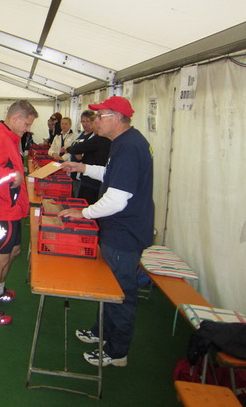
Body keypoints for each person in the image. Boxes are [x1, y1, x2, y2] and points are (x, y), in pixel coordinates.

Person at [58, 96, 154, 367]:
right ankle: (102, 332)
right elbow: (112, 175)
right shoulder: (123, 142)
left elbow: (117, 199)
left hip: (125, 232)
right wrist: (83, 167)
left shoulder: (130, 147)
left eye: (101, 116)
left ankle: (117, 351)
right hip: (119, 228)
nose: (95, 121)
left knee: (120, 293)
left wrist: (84, 213)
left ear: (118, 118)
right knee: (109, 287)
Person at [0, 100, 38, 325]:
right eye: (27, 124)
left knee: (14, 251)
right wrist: (12, 176)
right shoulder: (0, 138)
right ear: (16, 119)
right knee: (0, 257)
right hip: (4, 209)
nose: (28, 129)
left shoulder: (11, 137)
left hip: (13, 207)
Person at [64, 110, 111, 204]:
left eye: (92, 123)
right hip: (89, 176)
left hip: (93, 181)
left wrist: (69, 149)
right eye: (83, 121)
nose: (93, 125)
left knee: (85, 203)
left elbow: (80, 148)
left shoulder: (100, 138)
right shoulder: (94, 137)